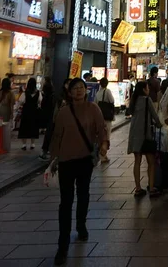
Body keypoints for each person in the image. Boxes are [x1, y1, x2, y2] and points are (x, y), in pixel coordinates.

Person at [50, 77, 107, 266]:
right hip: (66, 161)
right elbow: (56, 136)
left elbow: (101, 129)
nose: (79, 91)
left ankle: (81, 224)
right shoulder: (63, 113)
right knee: (65, 202)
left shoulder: (93, 109)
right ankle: (63, 245)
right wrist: (53, 160)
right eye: (75, 88)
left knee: (83, 194)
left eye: (82, 88)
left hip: (84, 160)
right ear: (69, 91)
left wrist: (104, 145)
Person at [127, 81, 162, 198]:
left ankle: (137, 188)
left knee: (137, 161)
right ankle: (151, 188)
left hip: (135, 134)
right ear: (143, 89)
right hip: (145, 135)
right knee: (151, 162)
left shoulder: (134, 100)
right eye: (147, 88)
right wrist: (159, 124)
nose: (148, 90)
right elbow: (155, 116)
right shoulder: (147, 100)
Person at [40, 78, 72, 160]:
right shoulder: (60, 94)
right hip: (56, 118)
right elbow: (55, 106)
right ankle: (46, 151)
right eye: (67, 83)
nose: (68, 85)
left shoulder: (72, 94)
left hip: (66, 120)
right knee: (51, 134)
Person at [18, 77, 42, 150]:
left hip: (26, 112)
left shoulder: (25, 93)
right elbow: (40, 100)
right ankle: (33, 144)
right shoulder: (38, 92)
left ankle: (24, 144)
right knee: (33, 127)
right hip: (34, 112)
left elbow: (21, 101)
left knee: (24, 127)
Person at [95, 77, 115, 163]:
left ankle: (103, 155)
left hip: (100, 116)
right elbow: (112, 100)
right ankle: (103, 155)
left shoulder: (98, 93)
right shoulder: (107, 91)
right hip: (107, 116)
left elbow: (95, 103)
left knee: (101, 135)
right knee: (106, 136)